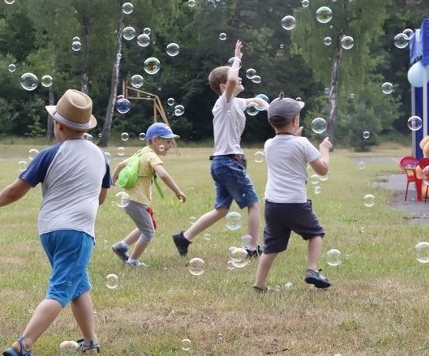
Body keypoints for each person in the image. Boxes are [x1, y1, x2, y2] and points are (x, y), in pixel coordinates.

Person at [0, 89, 111, 356]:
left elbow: (18, 189)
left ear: (59, 126)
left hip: (49, 231)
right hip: (79, 231)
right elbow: (101, 197)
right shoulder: (101, 157)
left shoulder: (49, 154)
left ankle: (90, 341)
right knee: (60, 290)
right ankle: (23, 345)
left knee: (78, 285)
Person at [172, 40, 269, 258]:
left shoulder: (237, 102)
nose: (239, 78)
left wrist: (269, 108)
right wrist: (237, 58)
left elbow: (255, 100)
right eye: (233, 78)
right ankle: (252, 249)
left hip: (223, 162)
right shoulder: (223, 103)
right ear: (224, 87)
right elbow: (234, 78)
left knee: (222, 210)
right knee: (253, 204)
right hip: (228, 162)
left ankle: (183, 237)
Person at [252, 97, 332, 292]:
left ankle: (259, 285)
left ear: (272, 123)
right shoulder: (302, 143)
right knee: (315, 234)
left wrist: (294, 135)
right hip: (295, 203)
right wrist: (324, 150)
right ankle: (312, 269)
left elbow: (286, 145)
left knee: (271, 246)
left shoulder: (269, 144)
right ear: (295, 121)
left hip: (272, 204)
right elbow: (322, 170)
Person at [111, 122, 187, 267]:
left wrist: (113, 179)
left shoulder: (141, 153)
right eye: (168, 141)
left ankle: (122, 246)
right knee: (148, 232)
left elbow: (120, 165)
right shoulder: (151, 156)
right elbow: (163, 174)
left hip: (130, 200)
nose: (170, 146)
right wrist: (177, 191)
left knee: (146, 225)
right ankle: (132, 262)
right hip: (136, 201)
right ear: (155, 140)